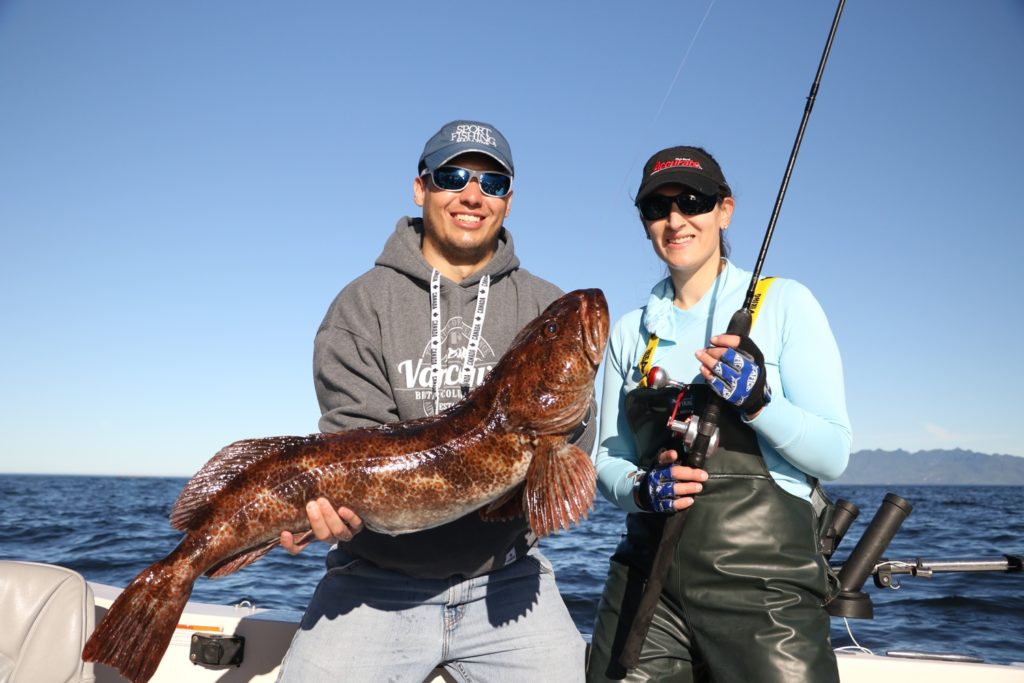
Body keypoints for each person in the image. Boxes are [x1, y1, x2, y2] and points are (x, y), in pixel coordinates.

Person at [275, 119, 595, 683]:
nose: (473, 195)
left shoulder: (545, 302)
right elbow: (352, 440)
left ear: (509, 201)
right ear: (421, 189)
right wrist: (335, 517)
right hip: (373, 578)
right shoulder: (360, 306)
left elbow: (569, 454)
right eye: (453, 176)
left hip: (506, 576)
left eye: (492, 184)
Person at [586, 146, 851, 682]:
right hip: (646, 581)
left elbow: (834, 452)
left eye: (693, 201)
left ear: (724, 210)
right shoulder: (629, 333)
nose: (675, 220)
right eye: (657, 209)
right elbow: (606, 458)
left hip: (766, 585)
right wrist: (640, 489)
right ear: (644, 225)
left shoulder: (785, 303)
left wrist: (759, 405)